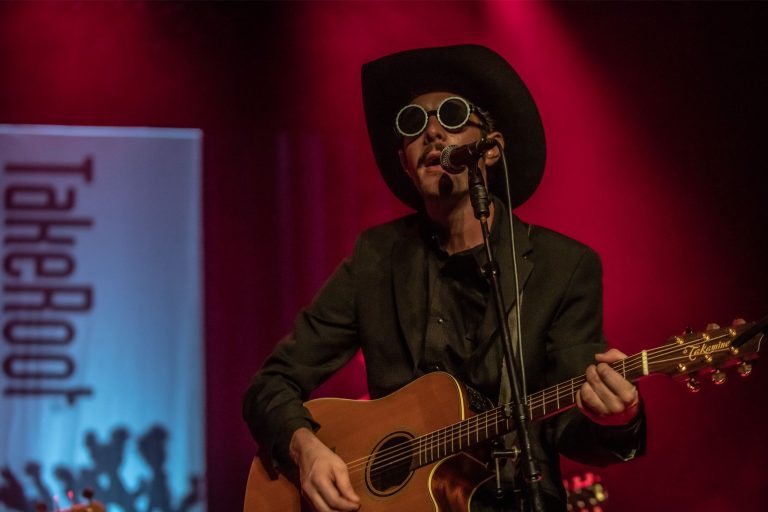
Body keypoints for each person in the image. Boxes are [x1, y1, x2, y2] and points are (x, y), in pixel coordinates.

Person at [243, 44, 645, 512]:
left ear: (490, 150)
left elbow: (570, 430)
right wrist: (305, 449)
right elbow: (270, 384)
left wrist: (617, 417)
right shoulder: (376, 258)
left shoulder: (564, 266)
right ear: (405, 163)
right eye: (413, 124)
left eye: (452, 116)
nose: (432, 132)